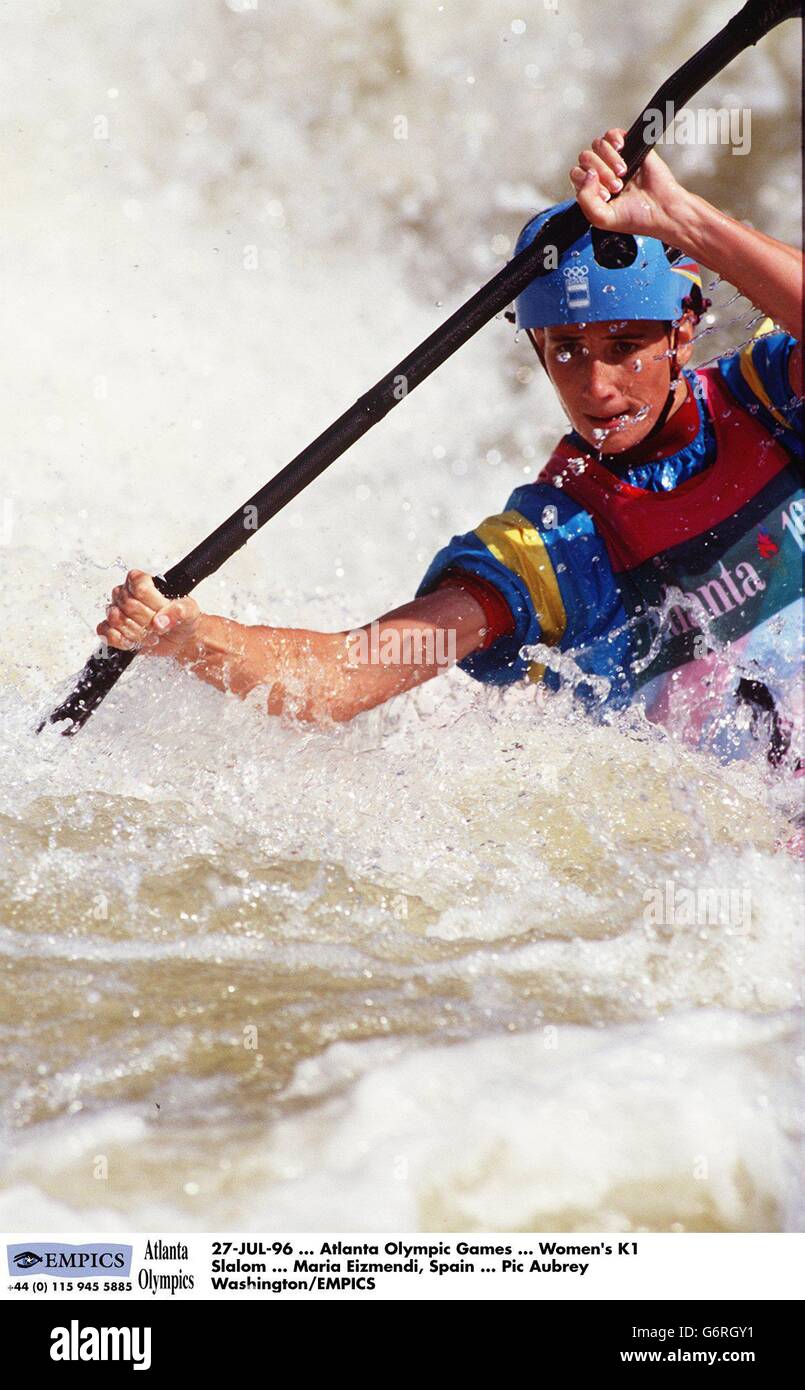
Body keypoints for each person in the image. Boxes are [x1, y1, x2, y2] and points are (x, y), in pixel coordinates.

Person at [98, 127, 803, 768]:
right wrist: (187, 636)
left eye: (625, 347)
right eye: (566, 351)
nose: (597, 387)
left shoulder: (770, 399)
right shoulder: (558, 544)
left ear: (683, 330)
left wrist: (684, 220)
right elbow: (347, 677)